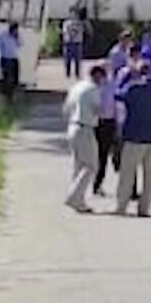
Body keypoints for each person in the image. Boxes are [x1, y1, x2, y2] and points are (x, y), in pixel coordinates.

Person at [115, 62, 151, 217]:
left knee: (127, 173)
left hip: (135, 135)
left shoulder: (133, 88)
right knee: (149, 175)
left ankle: (122, 206)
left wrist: (126, 78)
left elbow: (118, 94)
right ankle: (144, 208)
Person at [62, 66, 104, 212]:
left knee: (78, 165)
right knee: (91, 166)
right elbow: (98, 109)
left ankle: (79, 201)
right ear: (98, 76)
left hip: (72, 126)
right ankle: (73, 196)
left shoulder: (76, 87)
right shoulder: (93, 89)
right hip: (85, 127)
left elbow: (66, 108)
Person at [93, 62, 121, 196]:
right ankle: (97, 184)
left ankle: (125, 186)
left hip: (111, 122)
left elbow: (116, 105)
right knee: (101, 156)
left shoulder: (112, 85)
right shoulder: (93, 87)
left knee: (116, 155)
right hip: (99, 123)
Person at [0, 23, 22, 102]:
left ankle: (12, 94)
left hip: (14, 59)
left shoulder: (16, 36)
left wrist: (17, 37)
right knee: (7, 78)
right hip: (6, 58)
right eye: (14, 30)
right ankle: (7, 96)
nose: (15, 31)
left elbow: (20, 44)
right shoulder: (3, 35)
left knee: (15, 79)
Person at [62, 8, 87, 80]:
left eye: (75, 13)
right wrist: (71, 33)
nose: (73, 15)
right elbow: (65, 31)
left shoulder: (80, 23)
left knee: (77, 59)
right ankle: (68, 74)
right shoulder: (66, 23)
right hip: (68, 43)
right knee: (67, 59)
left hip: (77, 43)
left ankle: (77, 74)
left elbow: (82, 30)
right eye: (72, 13)